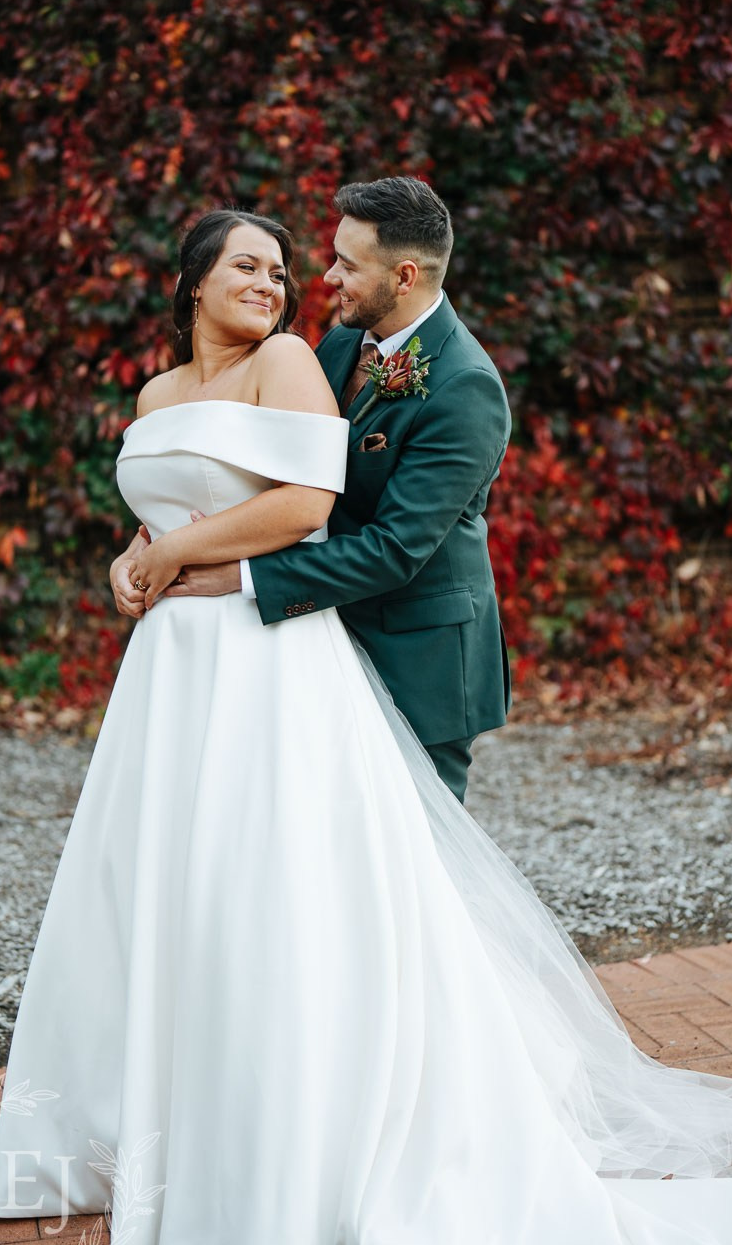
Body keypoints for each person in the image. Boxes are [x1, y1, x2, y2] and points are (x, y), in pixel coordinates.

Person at [0, 203, 732, 1245]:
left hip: (395, 652)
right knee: (202, 900)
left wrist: (206, 576)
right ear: (192, 282)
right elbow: (209, 495)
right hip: (217, 666)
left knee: (399, 909)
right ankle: (196, 1134)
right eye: (276, 264)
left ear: (399, 274)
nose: (308, 282)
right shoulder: (329, 350)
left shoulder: (462, 387)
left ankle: (431, 1119)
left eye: (325, 266)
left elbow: (371, 537)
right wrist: (139, 556)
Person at [109, 177, 513, 802]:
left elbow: (393, 549)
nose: (325, 278)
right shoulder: (344, 343)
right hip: (312, 636)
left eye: (348, 265)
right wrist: (147, 545)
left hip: (413, 650)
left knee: (416, 865)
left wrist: (239, 576)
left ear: (403, 277)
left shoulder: (465, 386)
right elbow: (263, 468)